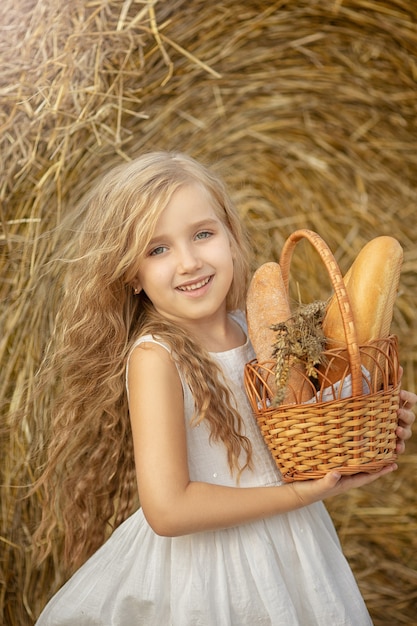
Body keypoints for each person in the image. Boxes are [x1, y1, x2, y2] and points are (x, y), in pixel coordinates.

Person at [33, 151, 415, 625]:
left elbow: (298, 437)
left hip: (293, 547)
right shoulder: (157, 358)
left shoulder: (261, 335)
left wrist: (365, 417)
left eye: (202, 234)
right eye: (157, 249)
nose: (189, 262)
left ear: (232, 239)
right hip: (207, 573)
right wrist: (301, 495)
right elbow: (168, 509)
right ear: (131, 274)